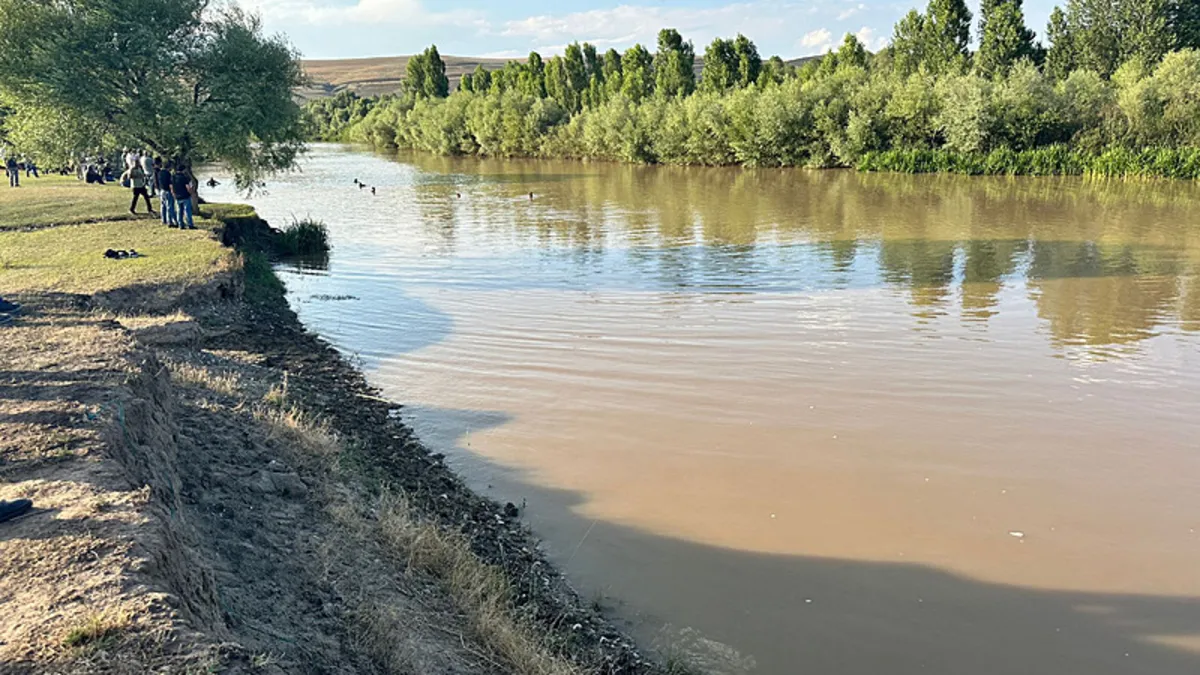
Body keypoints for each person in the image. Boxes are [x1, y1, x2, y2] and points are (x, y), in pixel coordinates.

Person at [171, 163, 196, 229]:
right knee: (187, 211)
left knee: (179, 211)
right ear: (183, 170)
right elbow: (187, 187)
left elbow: (171, 186)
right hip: (185, 196)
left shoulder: (173, 177)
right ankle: (190, 224)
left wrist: (173, 193)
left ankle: (180, 225)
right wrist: (191, 192)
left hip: (177, 196)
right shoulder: (184, 177)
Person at [155, 158, 177, 227]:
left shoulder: (159, 173)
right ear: (169, 167)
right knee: (170, 207)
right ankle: (170, 222)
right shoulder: (168, 174)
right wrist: (173, 192)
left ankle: (163, 220)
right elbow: (170, 184)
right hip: (168, 191)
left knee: (163, 206)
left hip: (162, 191)